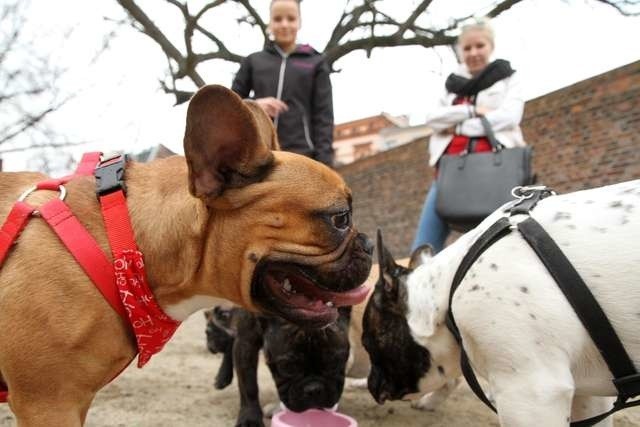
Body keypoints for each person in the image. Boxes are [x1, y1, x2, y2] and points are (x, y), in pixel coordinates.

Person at [412, 18, 526, 253]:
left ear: (490, 46)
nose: (473, 52)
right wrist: (471, 111)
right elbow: (432, 118)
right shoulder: (451, 84)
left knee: (501, 246)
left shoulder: (508, 78)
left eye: (479, 45)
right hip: (450, 171)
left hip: (496, 171)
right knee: (423, 247)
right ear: (460, 51)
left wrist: (459, 126)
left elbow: (509, 117)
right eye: (467, 48)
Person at [231, 0, 334, 167]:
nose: (284, 24)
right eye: (278, 19)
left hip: (302, 155)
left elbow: (324, 115)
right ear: (270, 23)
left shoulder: (316, 62)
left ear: (299, 22)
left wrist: (324, 163)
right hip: (258, 153)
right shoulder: (253, 61)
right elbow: (231, 103)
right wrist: (253, 106)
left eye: (291, 18)